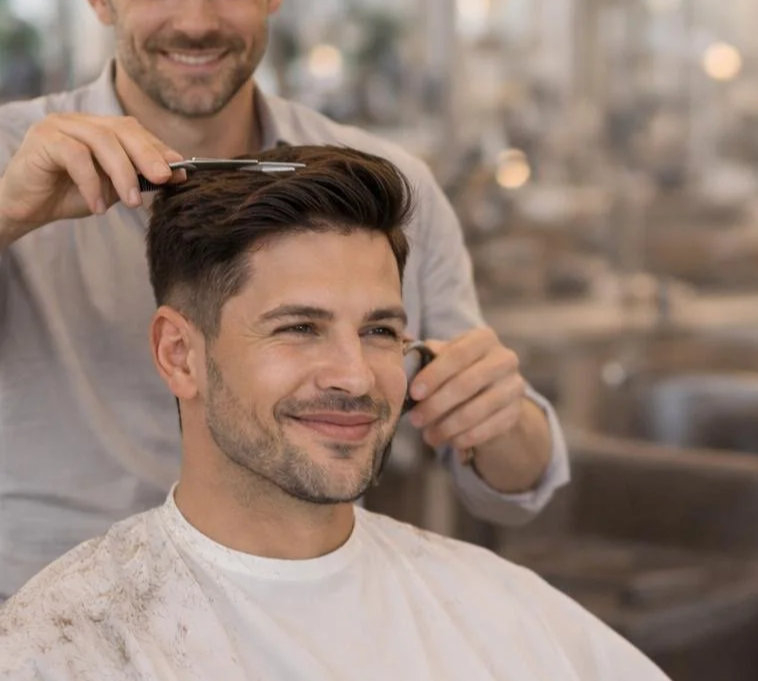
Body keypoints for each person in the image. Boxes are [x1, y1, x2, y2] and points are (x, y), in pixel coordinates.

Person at [0, 0, 568, 599]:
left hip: (300, 618)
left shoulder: (380, 188)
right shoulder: (16, 160)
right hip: (48, 618)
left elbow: (509, 487)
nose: (196, 21)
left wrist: (500, 418)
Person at [0, 147, 666, 681]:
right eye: (299, 328)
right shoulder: (66, 644)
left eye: (379, 331)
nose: (354, 377)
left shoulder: (501, 610)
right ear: (180, 354)